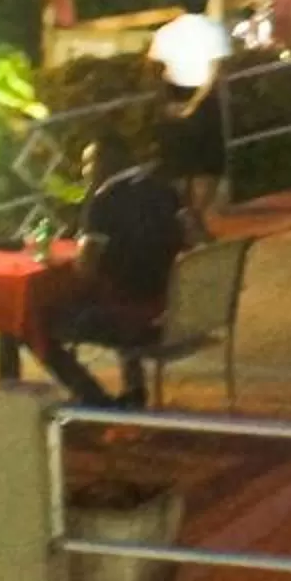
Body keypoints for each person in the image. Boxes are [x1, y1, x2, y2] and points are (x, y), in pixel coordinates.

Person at [39, 136, 194, 407]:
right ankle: (134, 390)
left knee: (39, 323)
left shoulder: (103, 203)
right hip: (170, 310)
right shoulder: (164, 189)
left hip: (130, 319)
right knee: (123, 286)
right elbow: (198, 236)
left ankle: (93, 398)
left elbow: (85, 270)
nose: (85, 171)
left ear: (105, 164)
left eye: (88, 163)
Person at [147, 0, 232, 218]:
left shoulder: (165, 32)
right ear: (206, 0)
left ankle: (180, 214)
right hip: (205, 97)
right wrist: (194, 104)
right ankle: (196, 215)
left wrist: (166, 101)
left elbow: (153, 69)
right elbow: (216, 72)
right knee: (208, 165)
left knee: (176, 162)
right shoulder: (215, 30)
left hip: (172, 94)